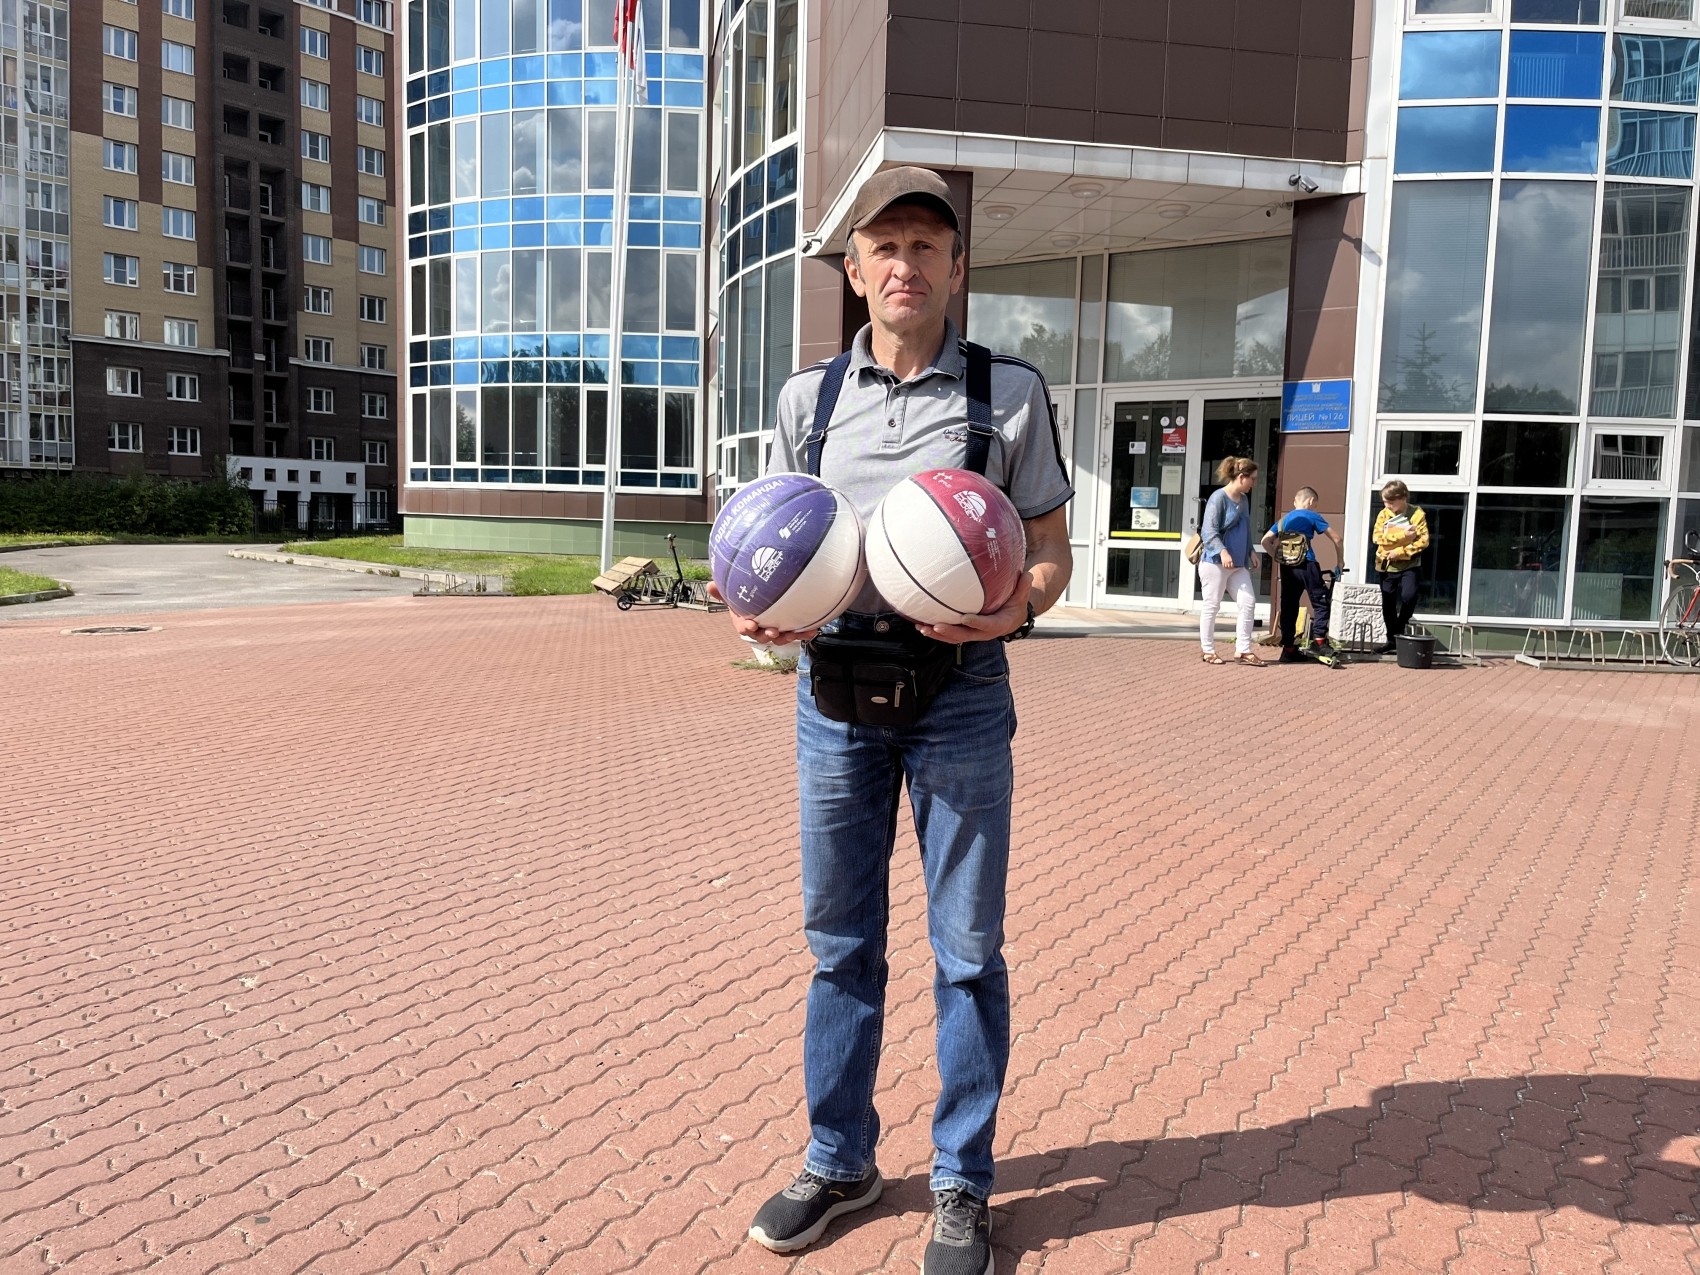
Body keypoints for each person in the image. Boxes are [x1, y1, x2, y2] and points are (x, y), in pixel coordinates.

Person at [723, 167, 1073, 1275]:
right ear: (853, 269)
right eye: (885, 246)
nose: (904, 264)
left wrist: (1018, 606)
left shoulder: (1008, 393)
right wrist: (759, 610)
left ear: (957, 269)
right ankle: (840, 1161)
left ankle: (961, 1181)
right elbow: (775, 539)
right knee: (840, 946)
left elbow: (1050, 552)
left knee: (966, 952)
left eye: (926, 245)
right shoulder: (807, 400)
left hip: (959, 694)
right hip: (833, 693)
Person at [1259, 486, 1345, 665]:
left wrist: (1278, 557)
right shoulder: (1312, 515)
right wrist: (1340, 562)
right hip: (1307, 564)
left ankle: (1289, 649)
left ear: (1294, 502)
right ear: (1311, 501)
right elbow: (1337, 539)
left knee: (1289, 605)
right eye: (1315, 505)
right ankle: (1320, 642)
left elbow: (1265, 541)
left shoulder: (1283, 520)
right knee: (1321, 601)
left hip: (1287, 567)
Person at [1198, 457, 1265, 666]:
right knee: (1212, 605)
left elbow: (1245, 528)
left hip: (1238, 564)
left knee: (1248, 602)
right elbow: (1208, 531)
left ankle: (1243, 650)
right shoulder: (1218, 498)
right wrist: (1223, 552)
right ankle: (1208, 650)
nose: (1254, 483)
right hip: (1215, 563)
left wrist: (1251, 551)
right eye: (1252, 479)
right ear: (1242, 477)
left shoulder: (1244, 500)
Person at [1372, 480, 1428, 654]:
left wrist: (1400, 552)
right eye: (1385, 502)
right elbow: (1377, 538)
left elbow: (1423, 541)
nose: (1387, 505)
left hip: (1410, 564)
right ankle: (1392, 640)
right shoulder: (1383, 514)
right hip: (1387, 565)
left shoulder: (1417, 514)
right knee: (1388, 603)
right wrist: (1403, 535)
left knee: (1409, 596)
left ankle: (1400, 626)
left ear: (1403, 498)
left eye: (1390, 502)